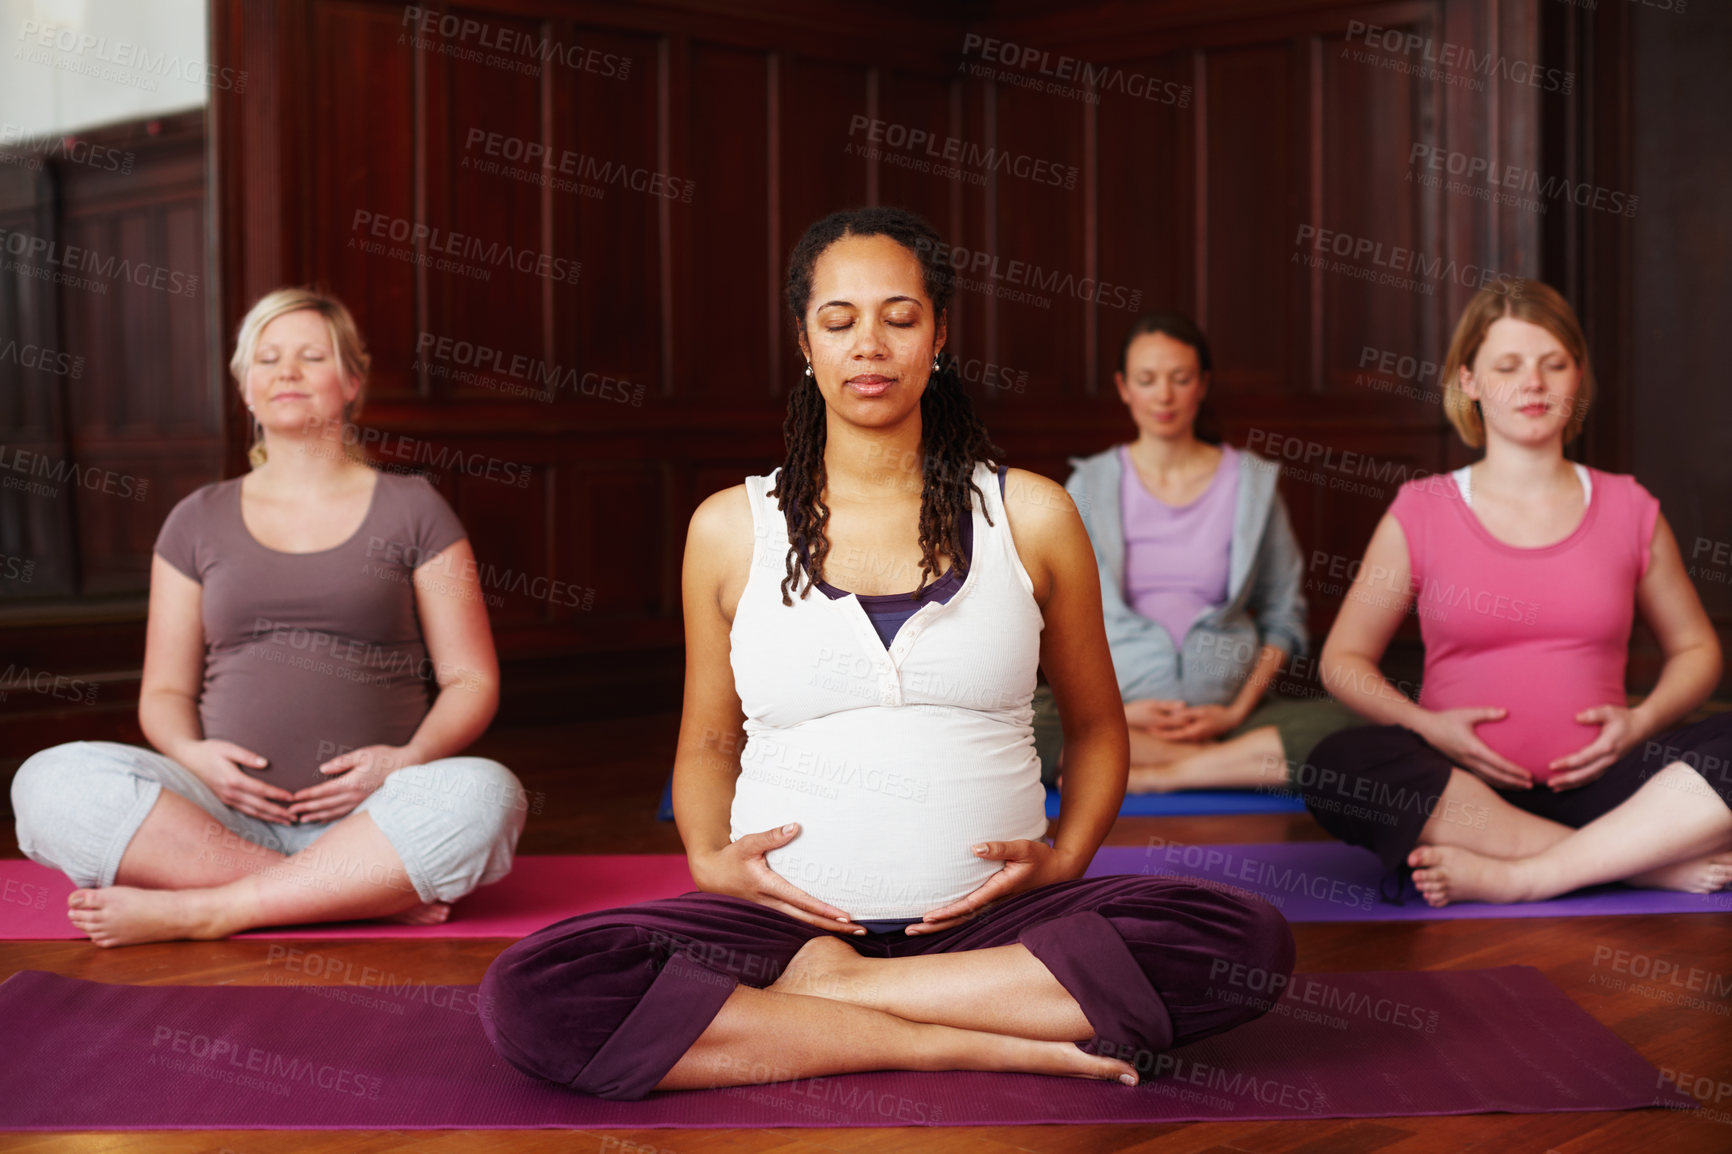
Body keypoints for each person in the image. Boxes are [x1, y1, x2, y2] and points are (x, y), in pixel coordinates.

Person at [477, 208, 1293, 1101]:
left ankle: (842, 1006)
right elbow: (710, 745)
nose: (870, 343)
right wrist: (711, 860)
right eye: (840, 321)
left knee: (1238, 941)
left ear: (939, 336)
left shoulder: (1032, 515)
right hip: (784, 932)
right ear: (806, 343)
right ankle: (965, 1038)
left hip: (997, 926)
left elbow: (1098, 729)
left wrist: (1066, 858)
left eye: (900, 317)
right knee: (537, 992)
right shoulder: (727, 528)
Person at [9, 288, 526, 946]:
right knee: (48, 782)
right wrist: (193, 755)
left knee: (488, 795)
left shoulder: (416, 509)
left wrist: (406, 761)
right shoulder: (196, 517)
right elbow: (165, 692)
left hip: (375, 815)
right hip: (215, 818)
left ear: (352, 383)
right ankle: (345, 891)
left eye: (312, 356)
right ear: (246, 390)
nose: (287, 371)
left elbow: (471, 680)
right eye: (268, 358)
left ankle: (216, 908)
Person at [1299, 279, 1731, 906]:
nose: (1533, 382)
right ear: (1469, 380)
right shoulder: (1420, 510)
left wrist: (1641, 722)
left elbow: (1696, 648)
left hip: (1606, 782)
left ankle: (1531, 872)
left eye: (1553, 364)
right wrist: (1430, 727)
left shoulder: (1629, 505)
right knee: (1337, 766)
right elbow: (1343, 662)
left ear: (1576, 376)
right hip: (1462, 789)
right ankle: (1635, 860)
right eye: (1508, 366)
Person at [1034, 313, 1355, 793]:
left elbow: (1283, 615)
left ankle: (1156, 775)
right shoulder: (1088, 486)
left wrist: (1235, 711)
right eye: (1147, 380)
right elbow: (1055, 616)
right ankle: (1215, 766)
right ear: (1124, 387)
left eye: (1180, 379)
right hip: (1114, 713)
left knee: (1346, 726)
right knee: (1024, 725)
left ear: (1202, 385)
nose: (1164, 396)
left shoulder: (1252, 484)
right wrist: (1115, 712)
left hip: (1230, 717)